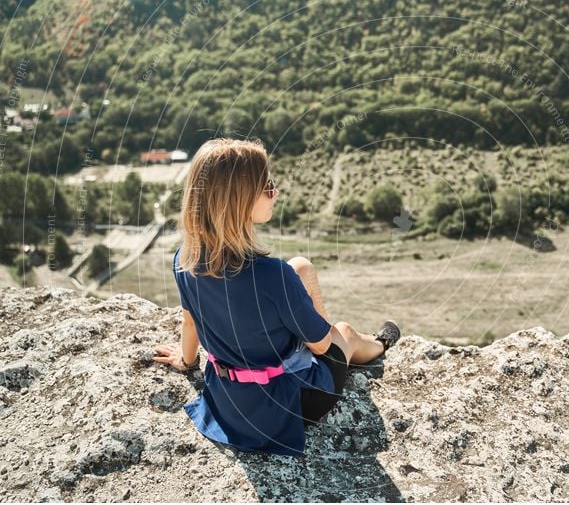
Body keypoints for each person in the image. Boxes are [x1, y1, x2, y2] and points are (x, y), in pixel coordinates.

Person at [153, 137, 401, 455]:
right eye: (267, 186)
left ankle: (340, 333)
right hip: (284, 406)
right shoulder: (272, 275)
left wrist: (186, 362)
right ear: (241, 201)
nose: (275, 192)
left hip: (228, 401)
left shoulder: (184, 260)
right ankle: (380, 343)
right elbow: (323, 345)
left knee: (302, 267)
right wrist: (311, 323)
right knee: (345, 334)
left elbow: (191, 324)